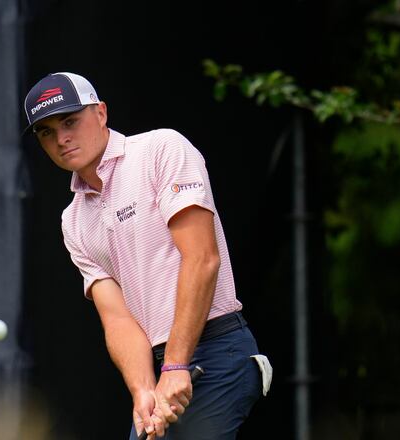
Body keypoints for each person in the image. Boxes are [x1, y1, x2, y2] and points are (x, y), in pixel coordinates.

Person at [22, 72, 270, 439]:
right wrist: (142, 390)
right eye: (46, 131)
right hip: (165, 367)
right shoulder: (72, 220)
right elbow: (118, 320)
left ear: (101, 113)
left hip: (218, 351)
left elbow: (202, 259)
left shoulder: (160, 149)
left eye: (70, 121)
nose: (61, 138)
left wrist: (174, 364)